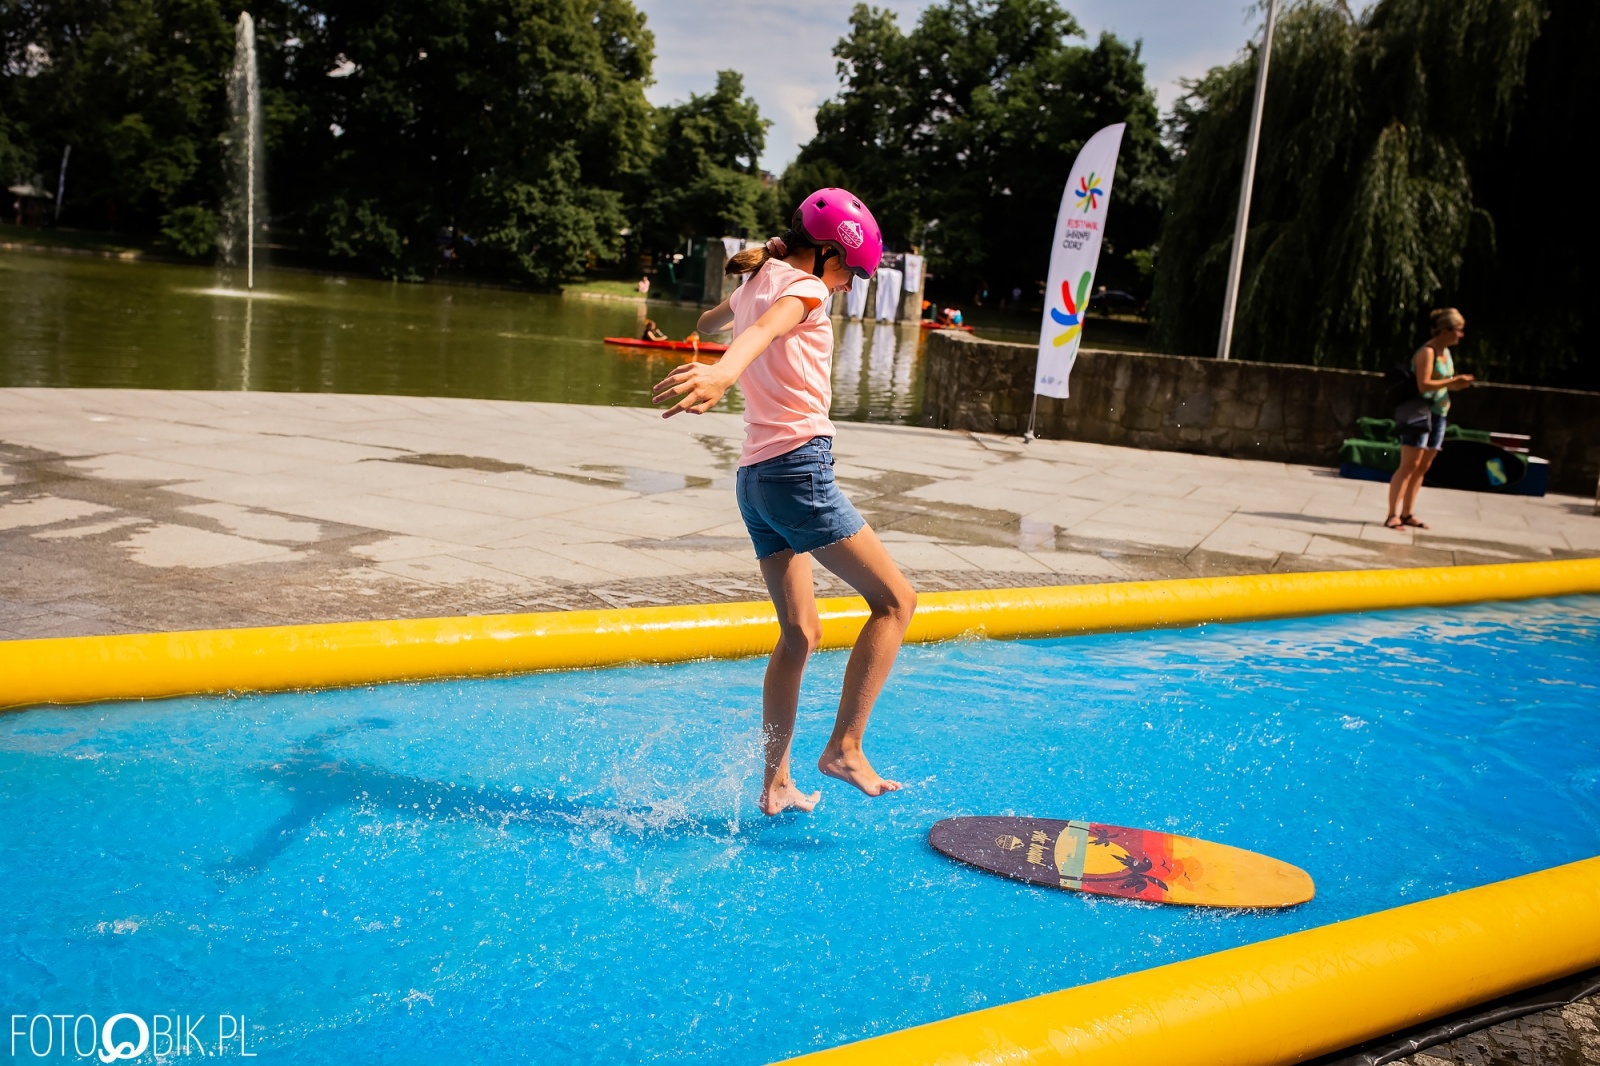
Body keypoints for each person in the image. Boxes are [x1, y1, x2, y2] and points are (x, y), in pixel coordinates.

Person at [653, 188, 917, 816]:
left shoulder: (765, 279)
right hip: (797, 470)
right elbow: (765, 330)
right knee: (896, 601)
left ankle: (775, 782)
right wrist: (722, 372)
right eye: (850, 270)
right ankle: (846, 748)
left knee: (799, 632)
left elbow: (713, 322)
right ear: (827, 254)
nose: (850, 285)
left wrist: (752, 278)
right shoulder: (808, 290)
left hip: (755, 480)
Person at [1385, 308, 1475, 530]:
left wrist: (1455, 384)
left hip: (1439, 414)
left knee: (1423, 467)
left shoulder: (1446, 353)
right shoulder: (1428, 351)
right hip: (1419, 413)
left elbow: (1441, 383)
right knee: (1409, 465)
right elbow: (1423, 384)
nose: (1461, 335)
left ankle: (1408, 512)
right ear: (1445, 330)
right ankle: (1392, 514)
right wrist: (1453, 381)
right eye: (1458, 330)